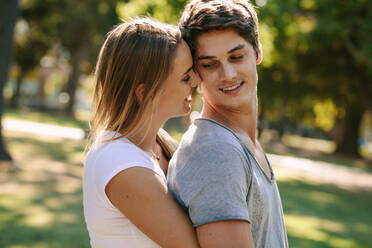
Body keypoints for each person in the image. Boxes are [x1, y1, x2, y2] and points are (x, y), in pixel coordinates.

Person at [167, 1, 289, 247]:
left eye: (236, 56)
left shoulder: (237, 141)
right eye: (210, 64)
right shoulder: (216, 151)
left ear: (258, 52)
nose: (228, 75)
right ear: (194, 72)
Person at [83, 17, 201, 248]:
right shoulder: (119, 161)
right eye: (186, 76)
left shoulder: (160, 143)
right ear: (145, 92)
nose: (196, 80)